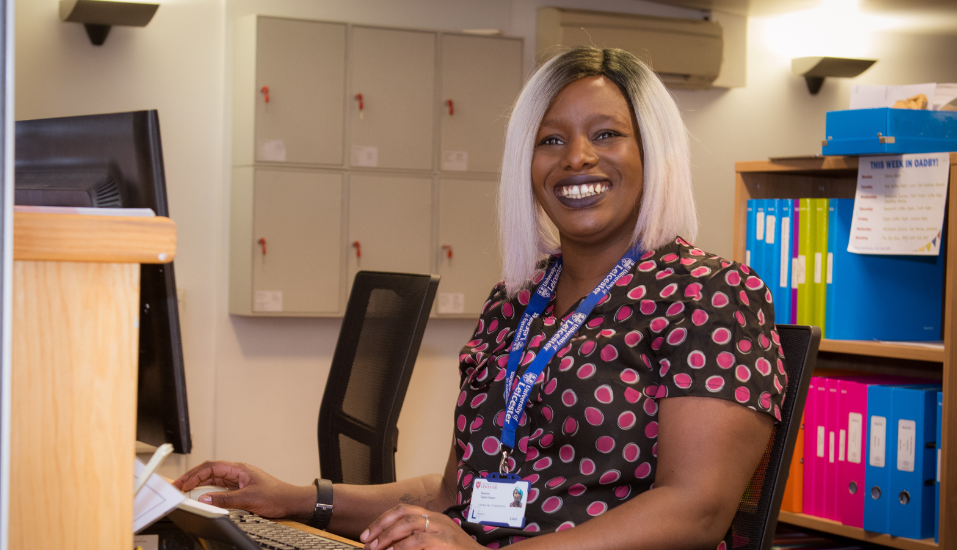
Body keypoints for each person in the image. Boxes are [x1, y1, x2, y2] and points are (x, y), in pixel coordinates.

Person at [175, 46, 785, 550]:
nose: (577, 158)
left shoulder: (710, 294)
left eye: (607, 134)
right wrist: (300, 499)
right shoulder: (515, 301)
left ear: (653, 153)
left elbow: (696, 509)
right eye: (551, 140)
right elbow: (451, 493)